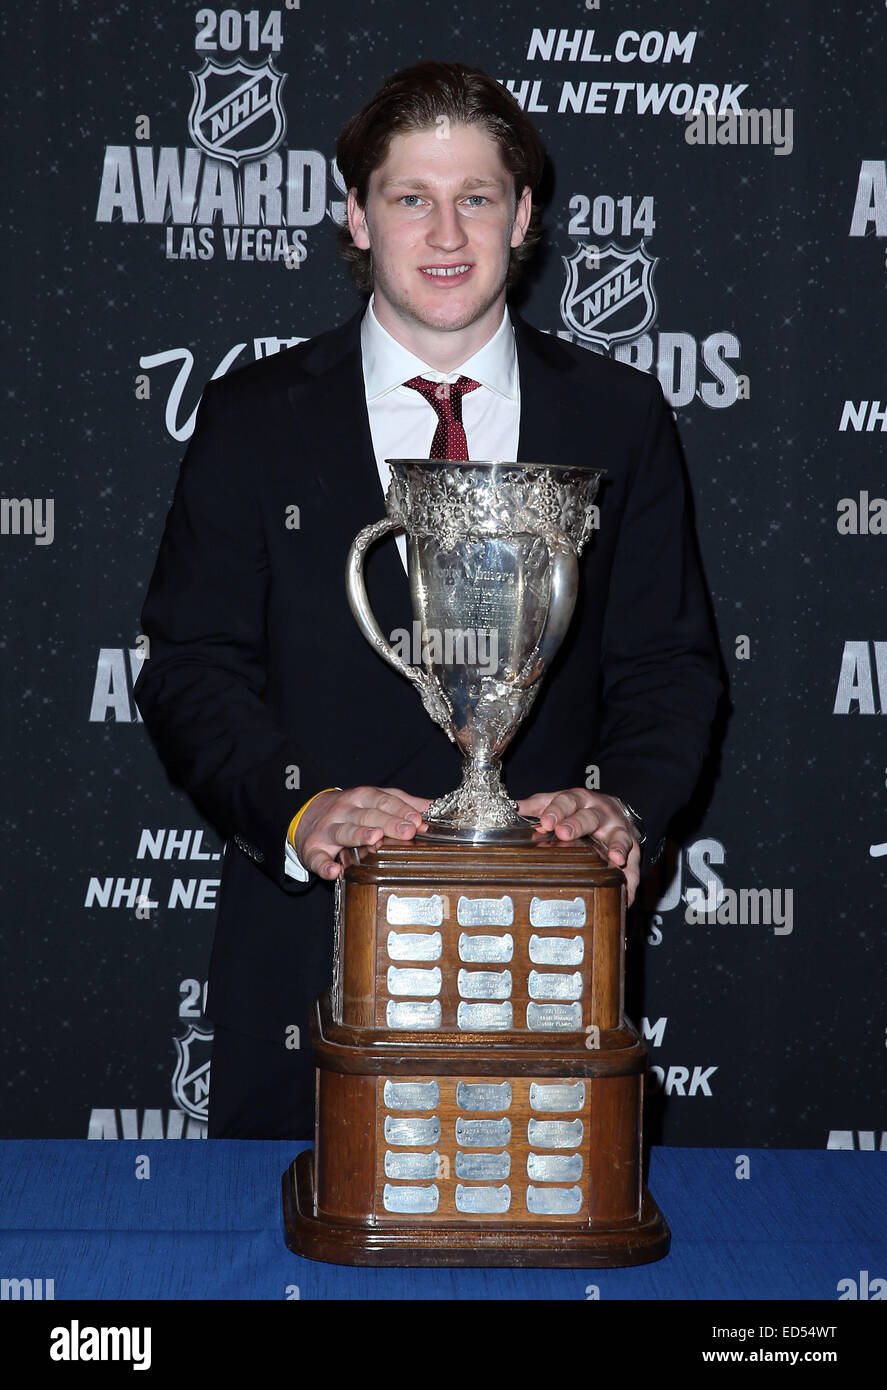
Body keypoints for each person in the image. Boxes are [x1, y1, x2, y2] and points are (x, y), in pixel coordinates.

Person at [134, 60, 722, 1140]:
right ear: (354, 216)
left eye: (476, 198)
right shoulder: (252, 417)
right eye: (410, 198)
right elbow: (190, 666)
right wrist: (300, 808)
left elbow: (668, 667)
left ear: (524, 214)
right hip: (307, 965)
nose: (445, 234)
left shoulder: (617, 417)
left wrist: (620, 805)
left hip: (543, 943)